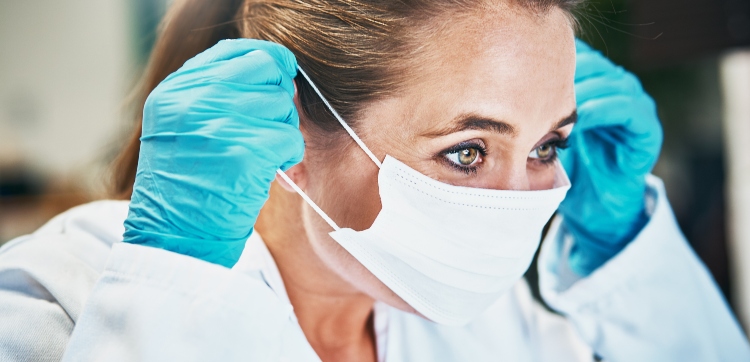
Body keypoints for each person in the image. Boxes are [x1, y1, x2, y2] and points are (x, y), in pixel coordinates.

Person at [1, 0, 748, 360]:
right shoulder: (50, 305)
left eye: (549, 144)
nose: (524, 204)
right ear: (292, 121)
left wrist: (625, 256)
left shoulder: (483, 327)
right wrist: (174, 286)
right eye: (466, 151)